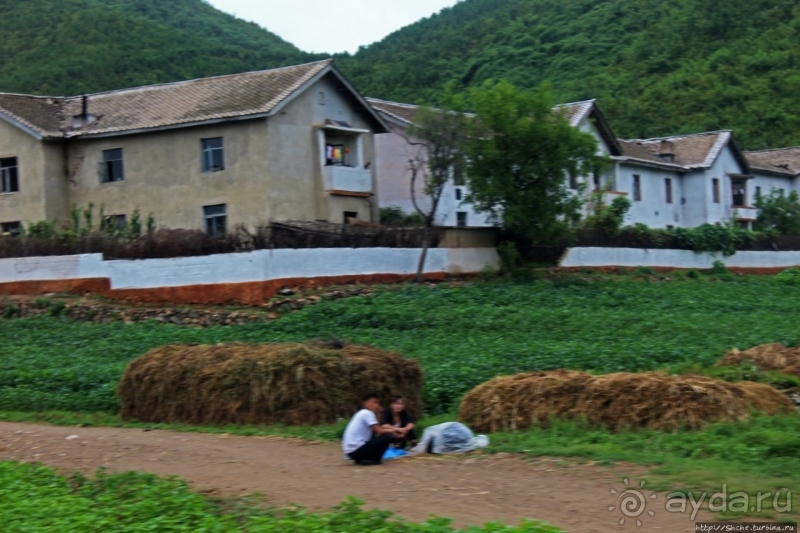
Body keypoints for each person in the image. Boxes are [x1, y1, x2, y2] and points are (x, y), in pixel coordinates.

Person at [342, 393, 400, 465]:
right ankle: (375, 459)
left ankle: (364, 459)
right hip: (356, 450)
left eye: (377, 403)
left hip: (351, 452)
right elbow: (379, 431)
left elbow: (376, 427)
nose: (376, 405)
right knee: (388, 436)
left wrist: (379, 413)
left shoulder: (361, 413)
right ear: (365, 403)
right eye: (373, 402)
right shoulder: (367, 413)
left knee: (376, 435)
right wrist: (393, 430)